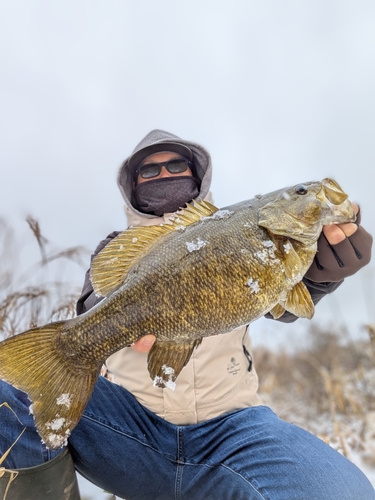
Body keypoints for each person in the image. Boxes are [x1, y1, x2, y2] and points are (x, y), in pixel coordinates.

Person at [0, 129, 374, 500]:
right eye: (149, 171)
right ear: (132, 186)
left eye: (175, 165)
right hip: (130, 428)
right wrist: (127, 315)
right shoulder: (117, 248)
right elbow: (90, 304)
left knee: (344, 493)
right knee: (8, 393)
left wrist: (323, 275)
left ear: (197, 175)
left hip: (233, 432)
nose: (164, 174)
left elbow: (285, 307)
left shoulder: (241, 227)